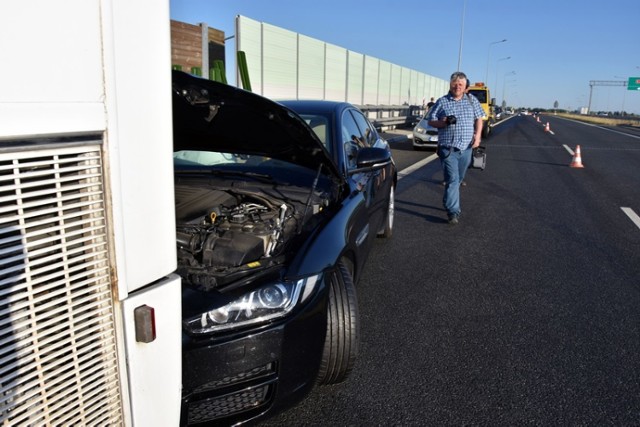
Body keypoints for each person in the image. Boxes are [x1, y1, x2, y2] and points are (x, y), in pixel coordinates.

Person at [428, 71, 485, 225]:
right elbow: (431, 121)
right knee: (453, 180)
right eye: (455, 84)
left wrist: (478, 136)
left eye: (461, 84)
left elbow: (479, 118)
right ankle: (453, 212)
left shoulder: (472, 100)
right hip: (448, 148)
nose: (458, 86)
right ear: (450, 85)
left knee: (458, 179)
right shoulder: (442, 102)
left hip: (466, 148)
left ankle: (448, 200)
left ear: (465, 86)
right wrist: (444, 122)